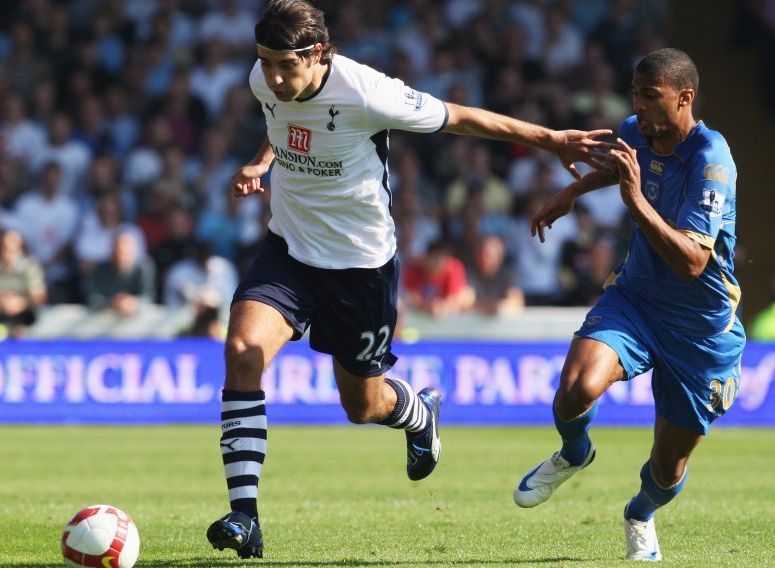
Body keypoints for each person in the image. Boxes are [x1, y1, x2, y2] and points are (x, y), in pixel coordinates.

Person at [206, 0, 614, 559]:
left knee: (362, 406)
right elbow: (282, 123)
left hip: (359, 268)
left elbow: (464, 117)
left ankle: (419, 414)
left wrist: (554, 140)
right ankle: (244, 515)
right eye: (265, 63)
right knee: (242, 348)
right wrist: (263, 162)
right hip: (289, 251)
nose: (272, 77)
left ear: (318, 54)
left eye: (285, 66)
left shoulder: (368, 92)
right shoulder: (265, 78)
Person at [513, 48, 745, 562]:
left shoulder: (712, 162)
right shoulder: (638, 129)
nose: (637, 107)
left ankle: (640, 514)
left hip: (700, 329)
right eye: (635, 94)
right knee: (575, 388)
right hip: (636, 298)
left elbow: (691, 263)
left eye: (650, 96)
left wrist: (636, 201)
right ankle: (575, 453)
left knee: (668, 468)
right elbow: (623, 164)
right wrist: (574, 189)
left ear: (685, 98)